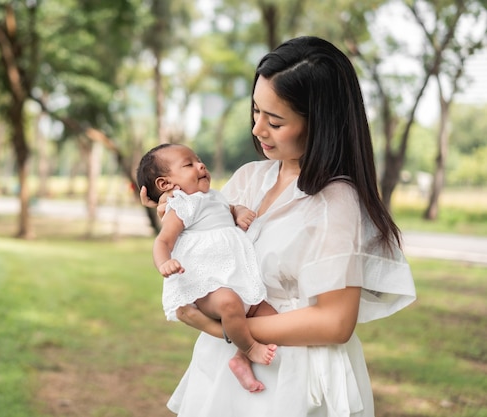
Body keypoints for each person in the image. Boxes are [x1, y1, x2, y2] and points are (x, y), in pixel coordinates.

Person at [140, 36, 416, 417]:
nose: (257, 129)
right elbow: (203, 239)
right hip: (226, 366)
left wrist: (222, 328)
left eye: (275, 121)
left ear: (319, 123)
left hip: (291, 375)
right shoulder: (249, 179)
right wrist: (167, 206)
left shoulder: (335, 202)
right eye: (255, 112)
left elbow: (335, 322)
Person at [136, 143, 278, 392]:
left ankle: (240, 360)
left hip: (239, 279)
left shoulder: (214, 196)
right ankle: (250, 348)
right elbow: (163, 240)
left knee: (270, 317)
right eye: (189, 164)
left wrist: (239, 210)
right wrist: (164, 262)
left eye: (199, 160)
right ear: (165, 184)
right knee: (229, 304)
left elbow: (228, 208)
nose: (201, 165)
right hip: (209, 284)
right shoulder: (181, 205)